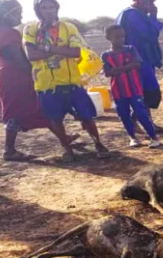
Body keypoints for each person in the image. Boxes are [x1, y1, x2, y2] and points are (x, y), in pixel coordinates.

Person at [0, 0, 78, 161]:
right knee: (23, 111)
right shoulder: (9, 33)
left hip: (4, 76)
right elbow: (16, 58)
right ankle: (9, 150)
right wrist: (33, 71)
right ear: (7, 13)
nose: (21, 15)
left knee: (37, 109)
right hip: (15, 77)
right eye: (18, 12)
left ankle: (65, 139)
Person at [24, 0, 109, 161]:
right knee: (55, 119)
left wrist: (46, 48)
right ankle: (67, 149)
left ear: (57, 8)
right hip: (46, 84)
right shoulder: (31, 29)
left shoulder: (68, 28)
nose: (48, 11)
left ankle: (98, 144)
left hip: (72, 82)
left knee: (86, 116)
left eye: (51, 7)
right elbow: (31, 55)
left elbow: (76, 52)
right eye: (44, 7)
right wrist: (62, 51)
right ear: (37, 10)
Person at [117, 0, 163, 133]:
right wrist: (153, 16)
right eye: (150, 3)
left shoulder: (133, 13)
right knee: (145, 92)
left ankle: (146, 123)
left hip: (142, 59)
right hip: (136, 61)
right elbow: (150, 35)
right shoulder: (132, 15)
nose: (152, 5)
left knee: (145, 91)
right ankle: (137, 122)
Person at [101, 25, 160, 149]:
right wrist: (126, 67)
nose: (121, 39)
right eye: (117, 37)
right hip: (118, 90)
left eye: (123, 36)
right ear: (108, 38)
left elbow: (137, 64)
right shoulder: (105, 55)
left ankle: (153, 137)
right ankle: (132, 137)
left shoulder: (130, 49)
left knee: (141, 113)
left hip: (134, 88)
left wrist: (117, 69)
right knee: (123, 114)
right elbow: (107, 72)